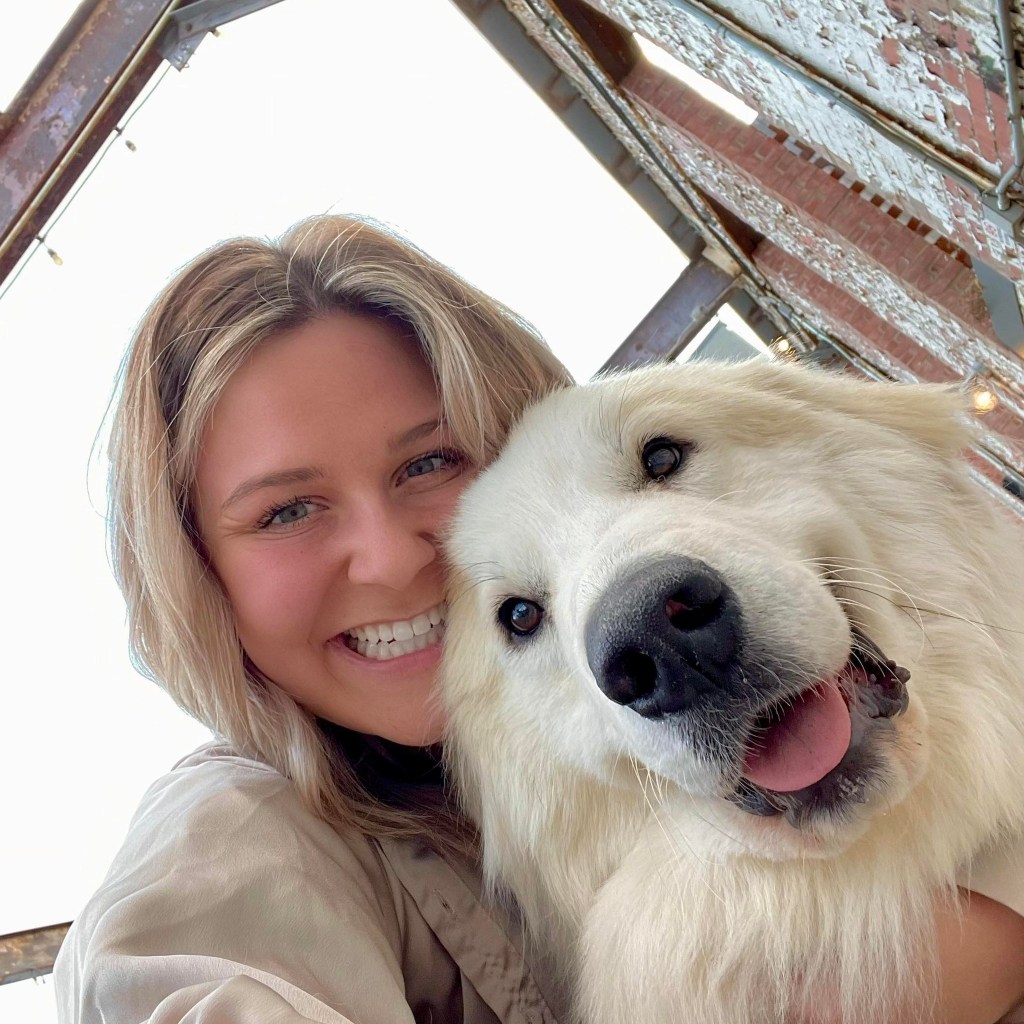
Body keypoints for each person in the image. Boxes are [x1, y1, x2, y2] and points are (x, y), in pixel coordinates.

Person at [54, 214, 1023, 1024]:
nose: (398, 560)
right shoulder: (236, 834)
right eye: (286, 511)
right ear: (199, 579)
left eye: (429, 462)